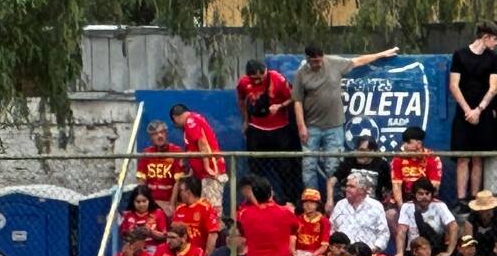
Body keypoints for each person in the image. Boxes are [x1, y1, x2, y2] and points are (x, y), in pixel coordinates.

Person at [291, 44, 399, 189]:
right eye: (314, 61)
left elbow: (358, 61)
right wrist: (301, 126)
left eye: (320, 60)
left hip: (334, 126)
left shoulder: (334, 63)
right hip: (311, 127)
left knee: (333, 166)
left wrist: (381, 54)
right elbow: (297, 101)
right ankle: (312, 201)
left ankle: (334, 200)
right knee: (309, 166)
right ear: (307, 59)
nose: (318, 63)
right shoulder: (301, 73)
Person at [237, 59, 299, 204]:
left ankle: (288, 200)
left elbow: (293, 97)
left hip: (279, 129)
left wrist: (279, 106)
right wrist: (246, 121)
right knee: (255, 169)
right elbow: (242, 101)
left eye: (261, 77)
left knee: (285, 168)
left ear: (265, 71)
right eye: (254, 78)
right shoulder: (243, 83)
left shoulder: (277, 78)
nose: (258, 80)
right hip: (256, 130)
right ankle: (257, 200)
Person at [449, 23, 497, 201]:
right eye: (494, 39)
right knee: (463, 157)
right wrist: (468, 110)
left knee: (478, 158)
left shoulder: (493, 58)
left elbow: (493, 87)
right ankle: (461, 199)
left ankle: (475, 198)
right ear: (485, 37)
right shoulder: (460, 55)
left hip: (483, 113)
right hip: (463, 112)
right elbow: (454, 85)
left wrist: (479, 110)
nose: (496, 43)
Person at [169, 103, 227, 211]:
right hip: (203, 174)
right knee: (205, 207)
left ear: (175, 118)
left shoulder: (191, 121)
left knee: (212, 208)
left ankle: (219, 227)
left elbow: (202, 143)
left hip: (211, 172)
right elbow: (194, 148)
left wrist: (207, 166)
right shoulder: (193, 120)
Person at [394, 177, 458, 256]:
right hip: (413, 251)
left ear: (432, 194)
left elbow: (453, 226)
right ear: (414, 194)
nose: (424, 197)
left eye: (427, 193)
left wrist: (449, 252)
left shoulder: (439, 205)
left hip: (434, 250)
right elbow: (401, 232)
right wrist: (400, 253)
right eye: (421, 194)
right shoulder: (407, 207)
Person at [326, 133, 393, 210]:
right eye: (358, 149)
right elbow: (331, 181)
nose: (359, 153)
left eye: (363, 150)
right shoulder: (350, 160)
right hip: (350, 205)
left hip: (372, 206)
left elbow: (389, 188)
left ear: (373, 152)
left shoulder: (382, 164)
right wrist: (329, 201)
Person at [330, 172, 389, 252]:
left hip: (366, 255)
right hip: (342, 254)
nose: (347, 189)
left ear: (362, 190)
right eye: (347, 186)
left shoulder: (376, 206)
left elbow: (384, 233)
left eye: (351, 186)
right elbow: (331, 229)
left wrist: (373, 250)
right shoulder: (340, 205)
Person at [135, 120, 185, 216]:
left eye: (162, 132)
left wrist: (171, 204)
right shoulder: (147, 153)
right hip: (151, 201)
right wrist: (147, 203)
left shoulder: (176, 151)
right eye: (155, 134)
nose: (159, 136)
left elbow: (178, 181)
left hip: (170, 201)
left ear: (166, 133)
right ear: (151, 137)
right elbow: (141, 181)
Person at [390, 126, 443, 211]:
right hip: (405, 198)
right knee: (391, 214)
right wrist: (402, 209)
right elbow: (396, 186)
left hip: (425, 198)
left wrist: (422, 205)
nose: (405, 146)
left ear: (419, 144)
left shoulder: (432, 158)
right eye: (405, 144)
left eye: (408, 143)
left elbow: (434, 187)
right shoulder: (398, 159)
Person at [172, 175, 221, 256]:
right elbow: (173, 231)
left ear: (188, 192)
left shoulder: (206, 208)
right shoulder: (179, 209)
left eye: (181, 190)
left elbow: (213, 235)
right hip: (180, 255)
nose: (179, 194)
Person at [294, 189, 330, 256]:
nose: (308, 205)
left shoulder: (324, 221)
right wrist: (295, 255)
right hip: (298, 253)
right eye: (305, 202)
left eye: (312, 202)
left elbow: (324, 246)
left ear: (318, 204)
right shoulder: (297, 219)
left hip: (315, 253)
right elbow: (291, 241)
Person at [463, 190, 497, 256]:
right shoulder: (470, 220)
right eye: (485, 211)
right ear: (479, 211)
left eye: (490, 209)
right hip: (477, 248)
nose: (488, 212)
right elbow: (468, 243)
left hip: (493, 250)